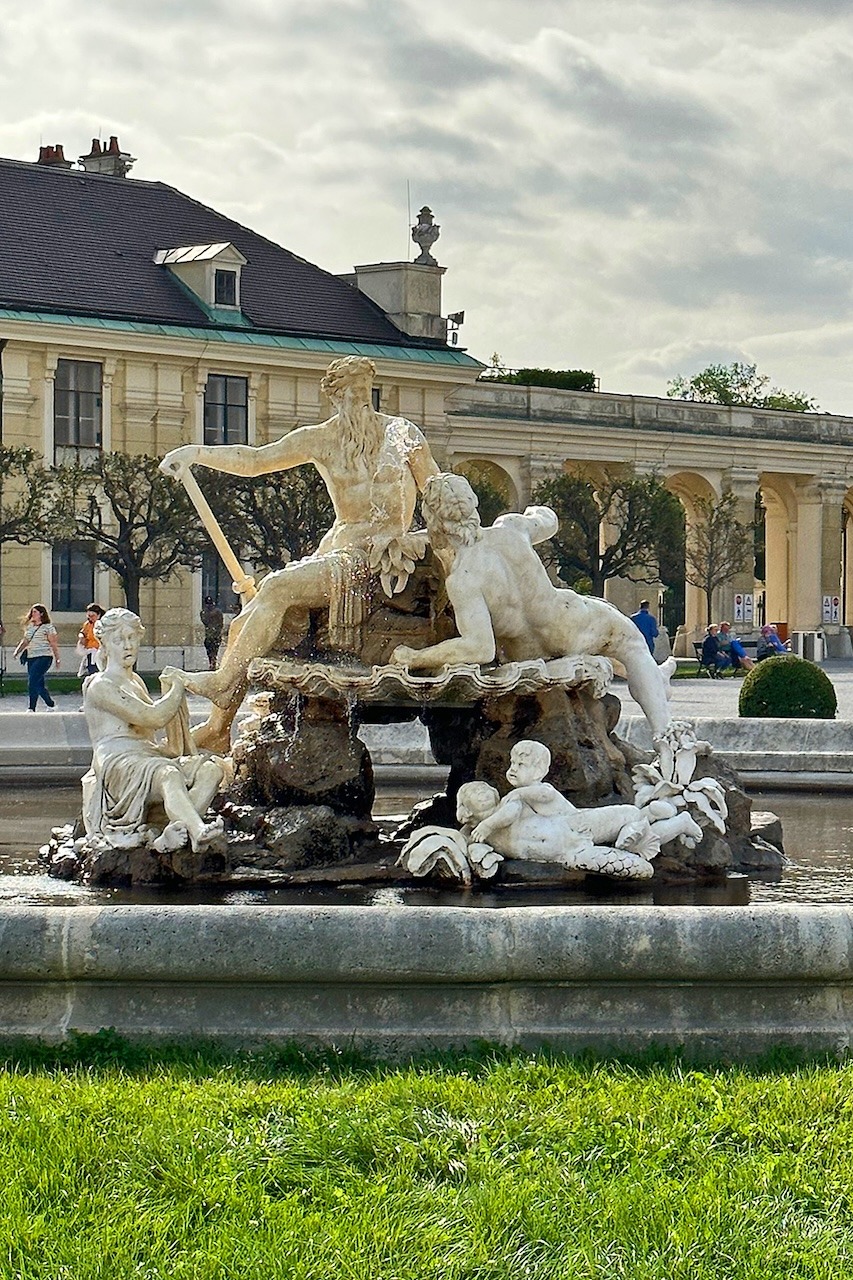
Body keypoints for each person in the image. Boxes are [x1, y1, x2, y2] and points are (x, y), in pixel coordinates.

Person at [159, 356, 439, 751]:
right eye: (350, 392)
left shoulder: (401, 434)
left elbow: (437, 490)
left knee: (274, 588)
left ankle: (223, 684)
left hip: (382, 556)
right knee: (244, 622)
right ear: (335, 397)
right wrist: (197, 454)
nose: (359, 400)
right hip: (341, 549)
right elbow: (257, 460)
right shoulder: (321, 439)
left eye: (365, 391)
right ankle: (219, 728)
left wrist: (450, 537)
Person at [391, 473, 677, 737]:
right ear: (473, 505)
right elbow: (549, 520)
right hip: (567, 623)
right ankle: (663, 735)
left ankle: (656, 678)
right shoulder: (511, 528)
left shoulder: (464, 579)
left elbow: (479, 647)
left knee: (617, 633)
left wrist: (415, 657)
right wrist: (534, 513)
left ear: (433, 520)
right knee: (631, 645)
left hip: (527, 653)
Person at [81, 608, 225, 853]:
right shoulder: (100, 685)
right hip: (118, 761)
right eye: (119, 640)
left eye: (132, 638)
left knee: (212, 770)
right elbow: (155, 717)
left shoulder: (136, 682)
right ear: (104, 644)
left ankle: (168, 830)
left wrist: (168, 746)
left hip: (147, 755)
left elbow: (150, 732)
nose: (127, 646)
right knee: (168, 773)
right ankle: (197, 831)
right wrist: (178, 686)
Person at [13, 603, 61, 711]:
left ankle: (31, 707)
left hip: (44, 657)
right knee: (39, 684)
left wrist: (57, 658)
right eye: (32, 612)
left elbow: (53, 643)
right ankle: (51, 704)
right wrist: (17, 651)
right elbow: (25, 641)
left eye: (35, 612)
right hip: (32, 657)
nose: (32, 614)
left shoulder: (48, 627)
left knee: (32, 681)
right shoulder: (30, 627)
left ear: (41, 614)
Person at [77, 603, 105, 678]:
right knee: (91, 671)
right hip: (90, 651)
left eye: (92, 616)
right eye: (89, 616)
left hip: (100, 652)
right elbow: (83, 632)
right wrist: (81, 636)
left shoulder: (103, 624)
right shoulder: (88, 624)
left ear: (98, 615)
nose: (90, 618)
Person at [199, 596, 224, 670]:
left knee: (211, 651)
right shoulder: (217, 612)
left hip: (211, 635)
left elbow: (205, 621)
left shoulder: (204, 612)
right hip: (214, 635)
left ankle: (212, 663)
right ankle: (213, 663)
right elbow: (220, 623)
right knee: (213, 651)